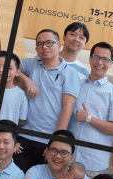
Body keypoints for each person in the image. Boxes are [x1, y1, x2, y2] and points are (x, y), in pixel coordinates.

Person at [10, 30, 84, 170]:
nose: (44, 47)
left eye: (49, 43)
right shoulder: (32, 64)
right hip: (24, 136)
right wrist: (26, 80)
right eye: (40, 44)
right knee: (16, 177)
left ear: (59, 46)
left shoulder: (70, 73)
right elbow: (8, 64)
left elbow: (67, 107)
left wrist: (55, 143)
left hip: (48, 141)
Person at [71, 42, 113, 174]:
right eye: (96, 57)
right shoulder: (75, 85)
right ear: (90, 59)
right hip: (68, 159)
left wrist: (89, 118)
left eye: (105, 59)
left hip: (94, 164)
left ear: (111, 63)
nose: (100, 62)